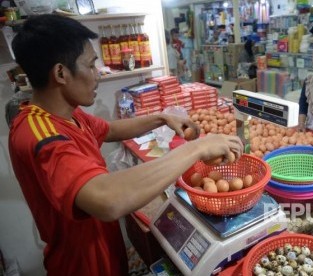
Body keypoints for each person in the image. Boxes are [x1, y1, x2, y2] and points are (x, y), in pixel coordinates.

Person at [9, 14, 243, 276]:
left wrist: (162, 117)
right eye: (90, 65)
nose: (97, 74)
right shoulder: (40, 136)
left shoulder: (65, 114)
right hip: (80, 266)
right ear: (61, 73)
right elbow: (108, 199)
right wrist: (197, 148)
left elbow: (108, 129)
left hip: (105, 253)